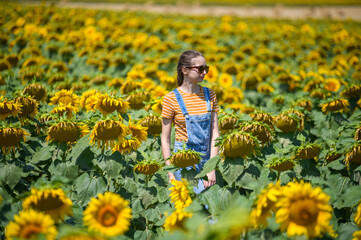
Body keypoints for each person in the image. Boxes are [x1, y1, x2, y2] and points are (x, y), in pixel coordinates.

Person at [161, 50, 220, 193]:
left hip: (207, 160)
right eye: (200, 68)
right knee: (193, 207)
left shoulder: (210, 95)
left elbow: (215, 134)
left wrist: (211, 168)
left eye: (206, 68)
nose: (204, 72)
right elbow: (165, 139)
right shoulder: (171, 99)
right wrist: (170, 172)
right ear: (185, 70)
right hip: (184, 163)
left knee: (210, 209)